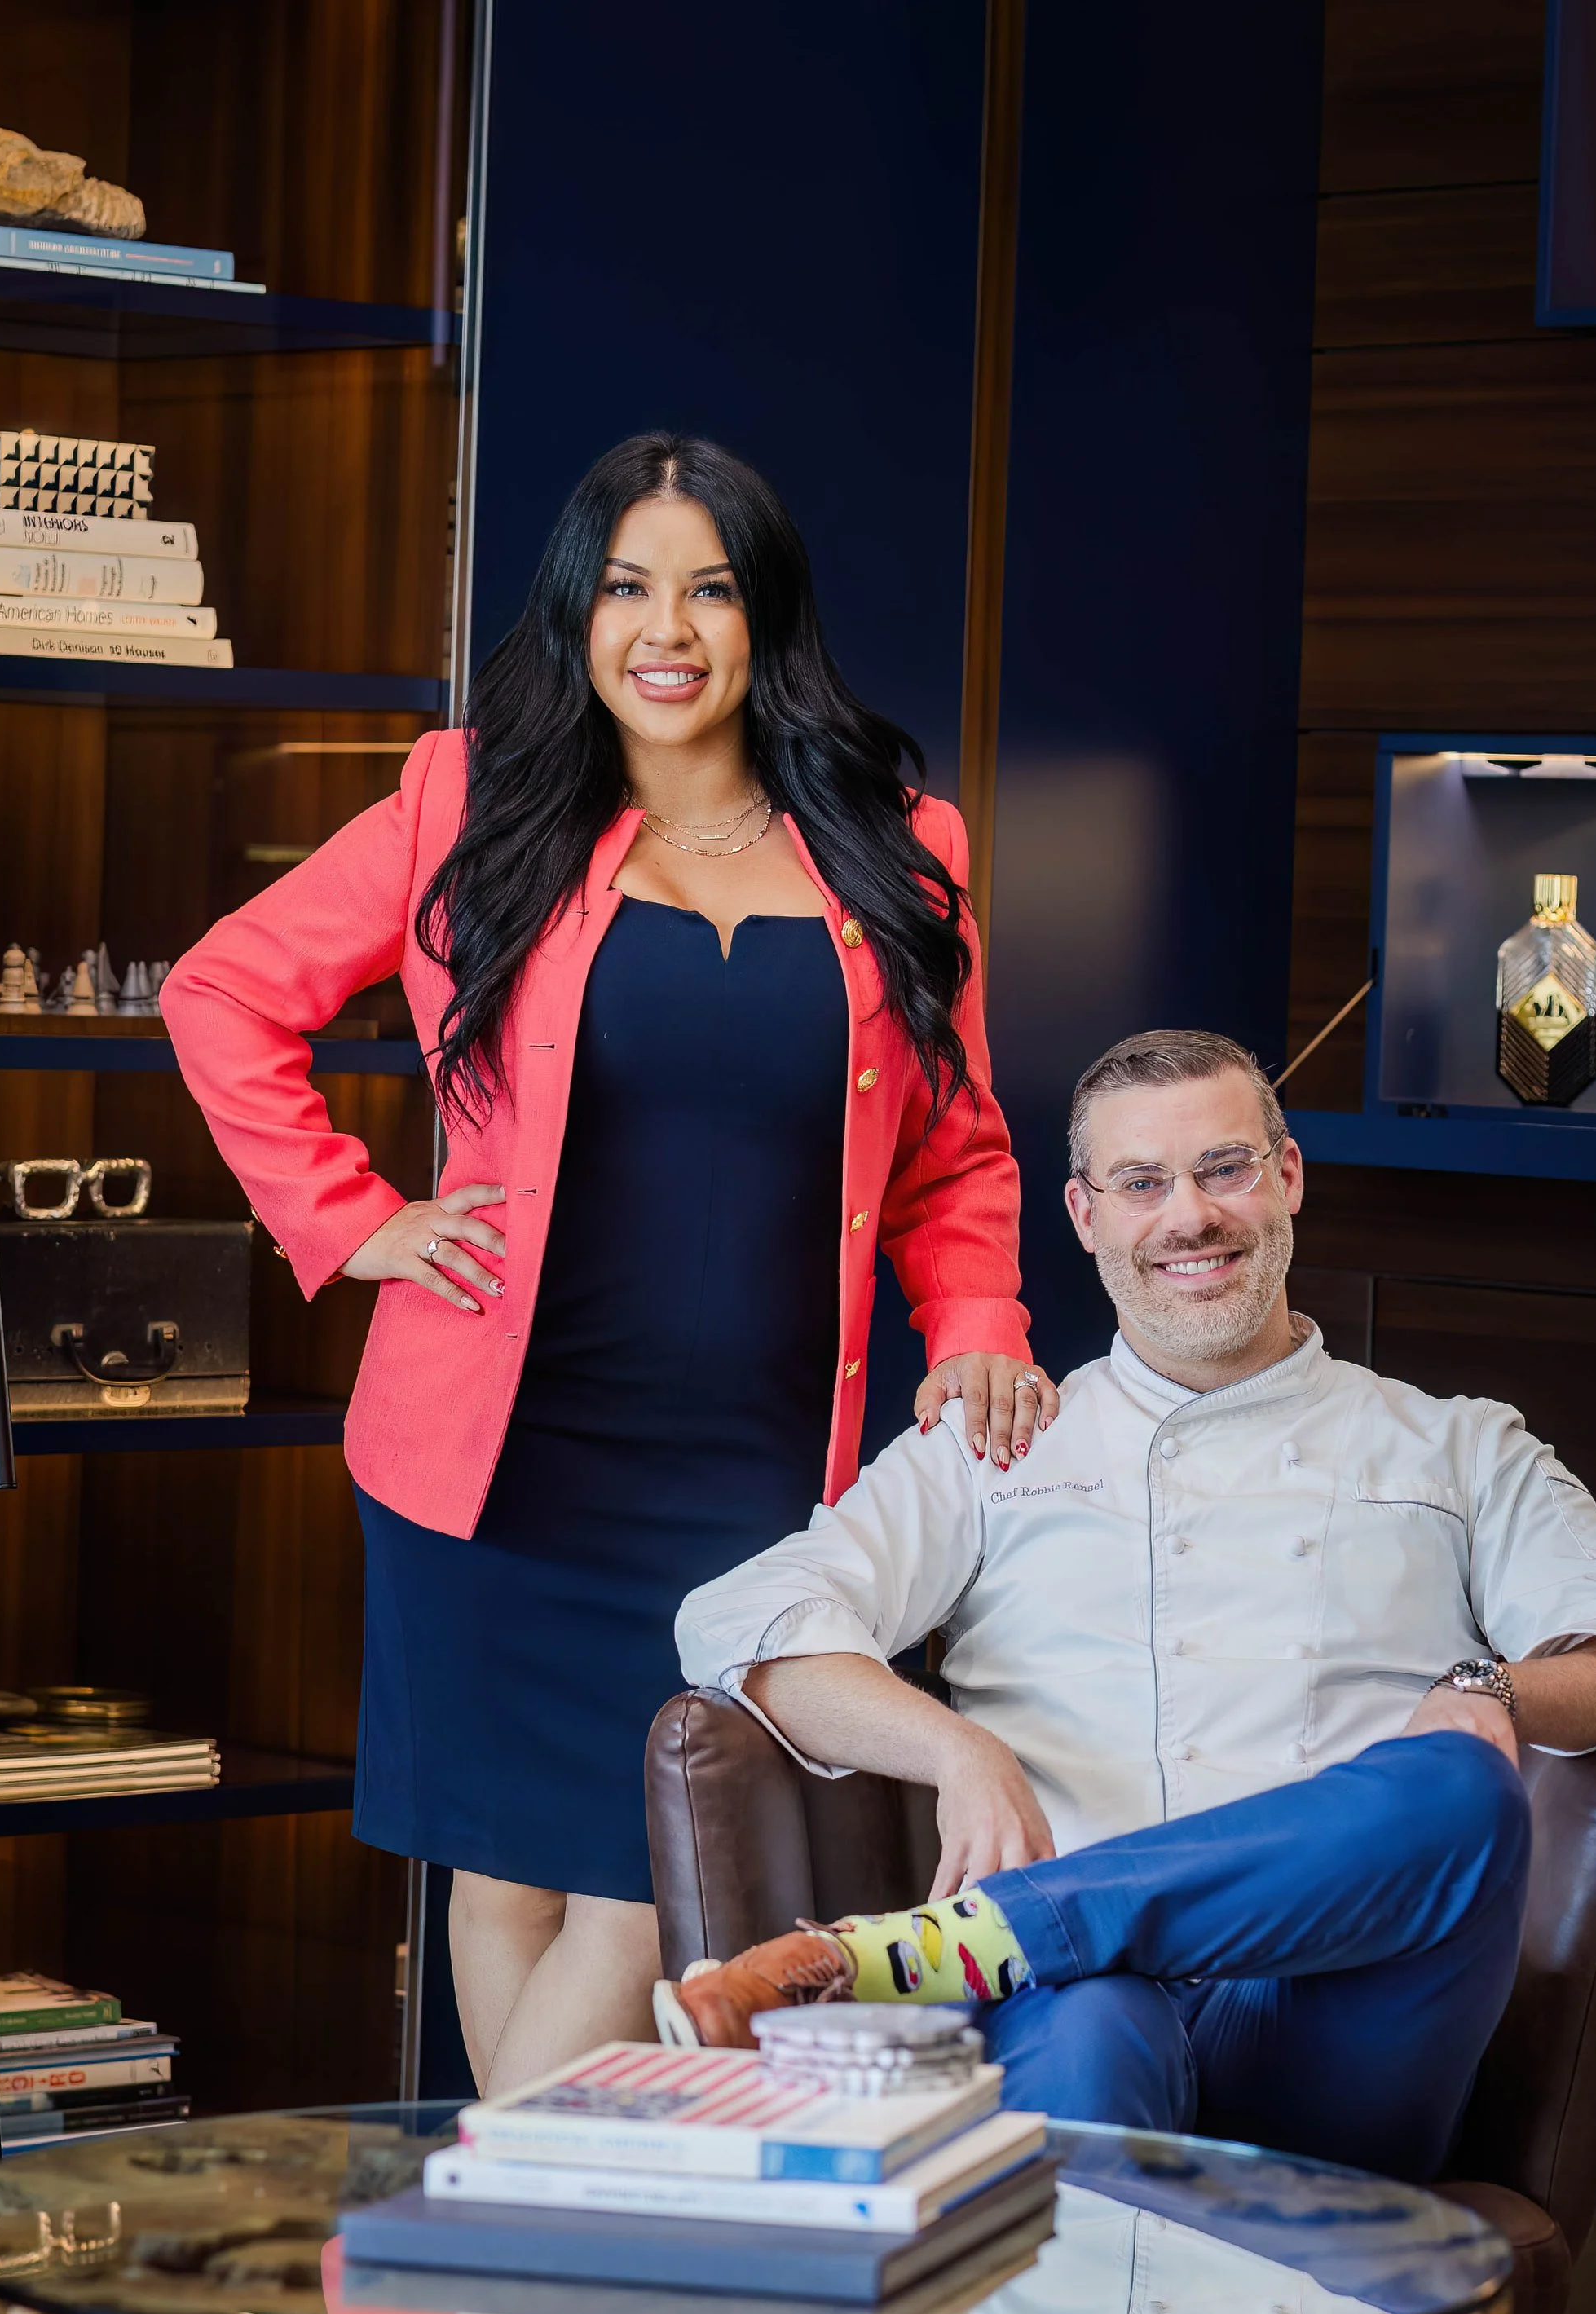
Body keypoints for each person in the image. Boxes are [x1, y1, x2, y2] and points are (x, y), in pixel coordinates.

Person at [165, 434, 1047, 2082]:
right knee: (498, 1882)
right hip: (495, 1464)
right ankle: (521, 2307)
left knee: (650, 1897)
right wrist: (353, 1222)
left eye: (709, 588)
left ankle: (476, 2241)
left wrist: (976, 1318)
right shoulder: (467, 802)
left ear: (761, 617)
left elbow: (958, 1145)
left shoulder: (899, 844)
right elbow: (221, 992)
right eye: (628, 586)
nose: (668, 627)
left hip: (762, 1465)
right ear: (577, 613)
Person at [664, 1029, 1596, 2181]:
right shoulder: (1000, 1447)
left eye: (1224, 1168)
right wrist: (957, 1749)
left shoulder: (1457, 1444)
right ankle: (1017, 1986)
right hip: (1074, 2013)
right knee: (1094, 2022)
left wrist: (1492, 1693)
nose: (1189, 1218)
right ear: (1084, 1216)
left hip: (1341, 2031)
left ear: (1288, 1179)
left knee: (1467, 1781)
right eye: (1141, 1184)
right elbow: (741, 1619)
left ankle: (963, 1946)